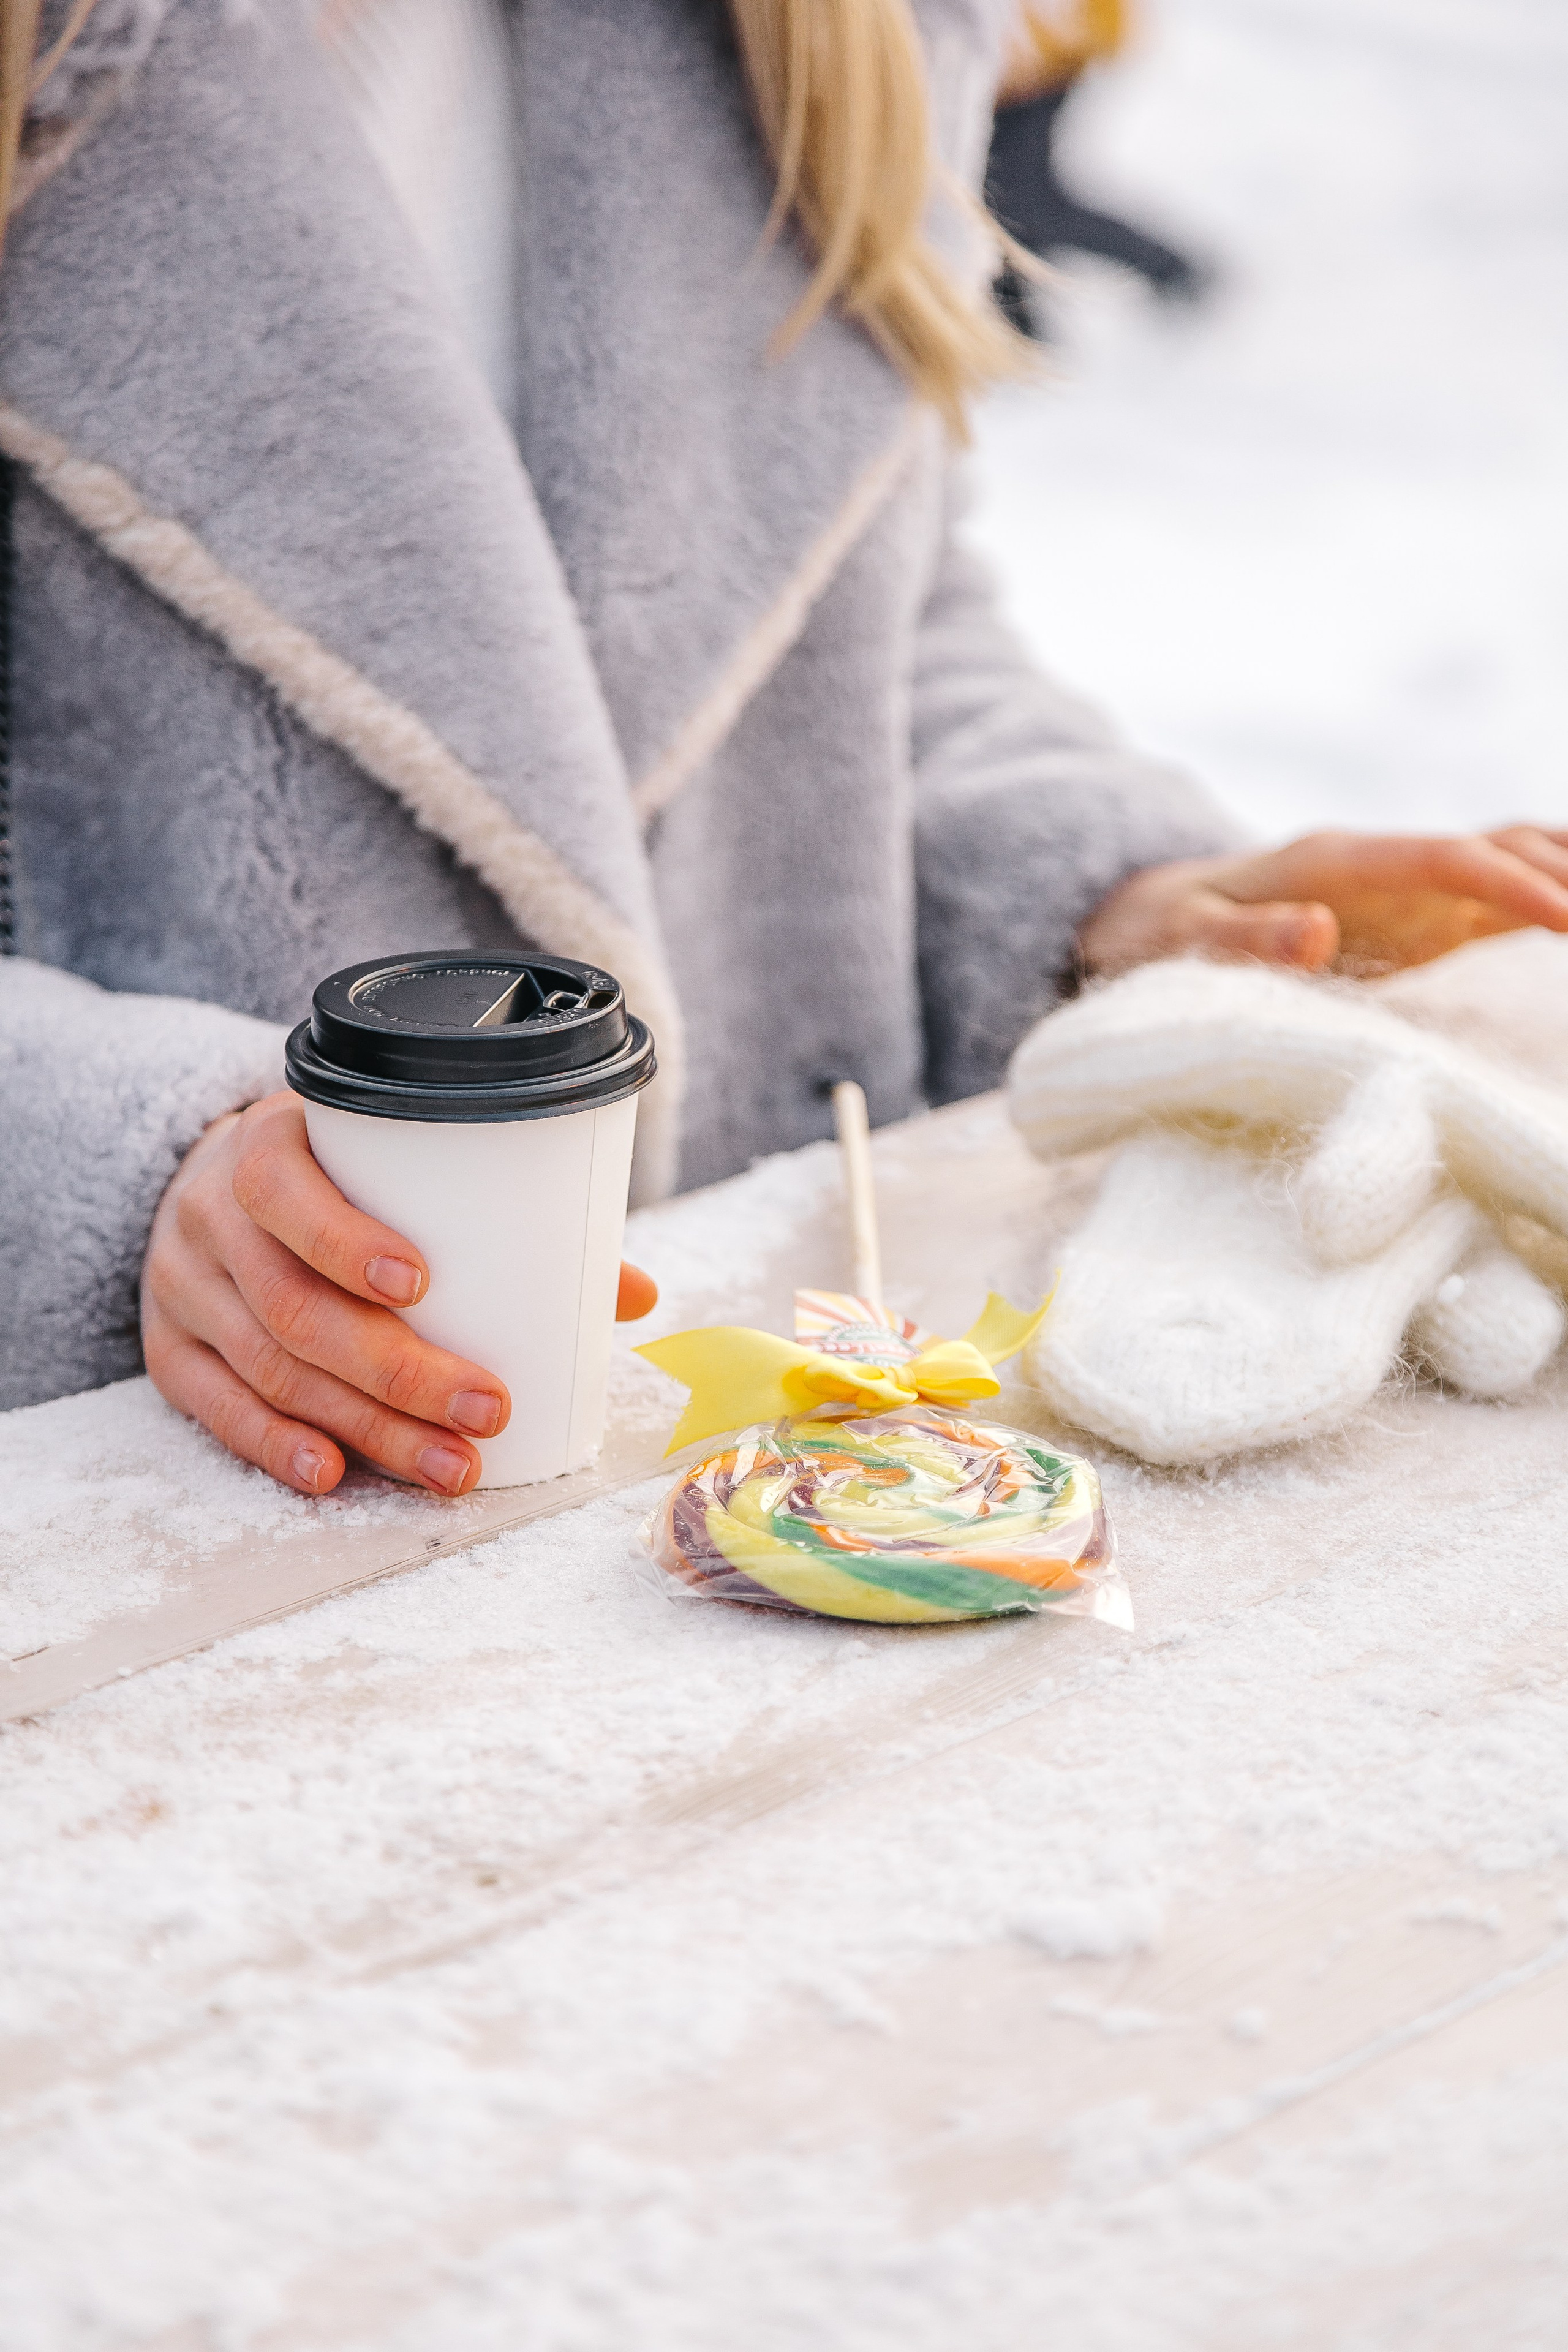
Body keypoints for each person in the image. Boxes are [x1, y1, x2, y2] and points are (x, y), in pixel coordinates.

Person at [2, 0, 1565, 1503]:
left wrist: (1103, 890)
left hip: (783, 1441)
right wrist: (128, 1160)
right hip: (170, 1557)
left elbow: (868, 647)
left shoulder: (824, 39)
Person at [986, 1, 1210, 338]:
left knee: (1016, 202)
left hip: (1033, 53)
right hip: (1017, 52)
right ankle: (1014, 325)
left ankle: (1171, 269)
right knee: (1000, 198)